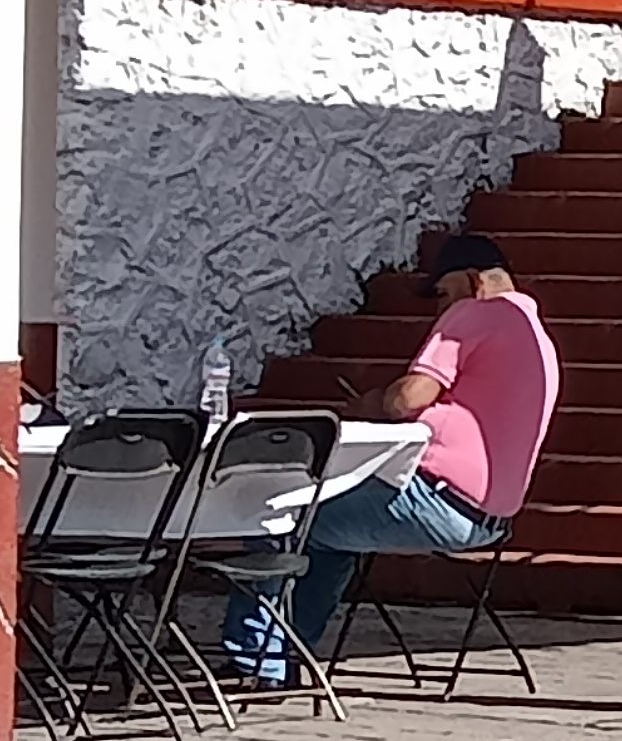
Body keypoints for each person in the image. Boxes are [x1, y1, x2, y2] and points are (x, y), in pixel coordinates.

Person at [224, 233, 561, 682]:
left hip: (437, 499)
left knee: (276, 515)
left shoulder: (476, 313)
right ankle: (290, 649)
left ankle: (255, 660)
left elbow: (407, 398)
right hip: (492, 519)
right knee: (330, 533)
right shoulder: (539, 340)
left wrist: (370, 403)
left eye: (443, 294)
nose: (441, 309)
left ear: (474, 281)